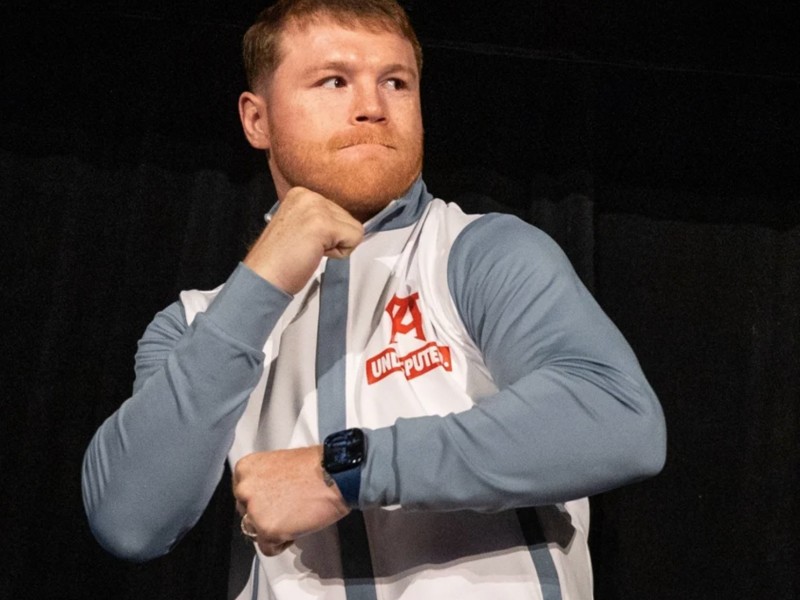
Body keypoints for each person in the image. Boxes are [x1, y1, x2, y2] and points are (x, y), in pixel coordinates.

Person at [82, 1, 667, 598]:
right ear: (256, 120)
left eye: (396, 82)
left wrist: (342, 469)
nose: (373, 107)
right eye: (334, 81)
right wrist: (261, 282)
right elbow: (130, 521)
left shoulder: (480, 251)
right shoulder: (195, 323)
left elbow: (616, 416)